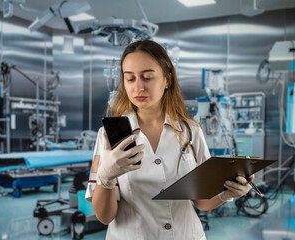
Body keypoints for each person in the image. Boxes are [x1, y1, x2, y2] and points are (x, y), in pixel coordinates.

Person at [85, 40, 253, 240]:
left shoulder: (191, 131)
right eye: (130, 79)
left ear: (167, 79)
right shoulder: (108, 136)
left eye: (147, 77)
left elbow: (201, 201)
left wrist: (227, 193)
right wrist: (106, 178)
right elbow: (104, 217)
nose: (138, 87)